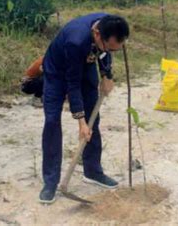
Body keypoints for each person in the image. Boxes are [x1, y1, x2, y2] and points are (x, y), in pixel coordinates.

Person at [39, 13, 130, 204]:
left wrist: (107, 75)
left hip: (86, 66)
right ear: (97, 34)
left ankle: (93, 171)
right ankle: (50, 182)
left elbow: (105, 53)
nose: (112, 51)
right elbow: (72, 84)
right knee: (52, 121)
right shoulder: (76, 40)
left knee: (93, 120)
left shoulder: (110, 25)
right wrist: (81, 122)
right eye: (110, 47)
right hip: (58, 72)